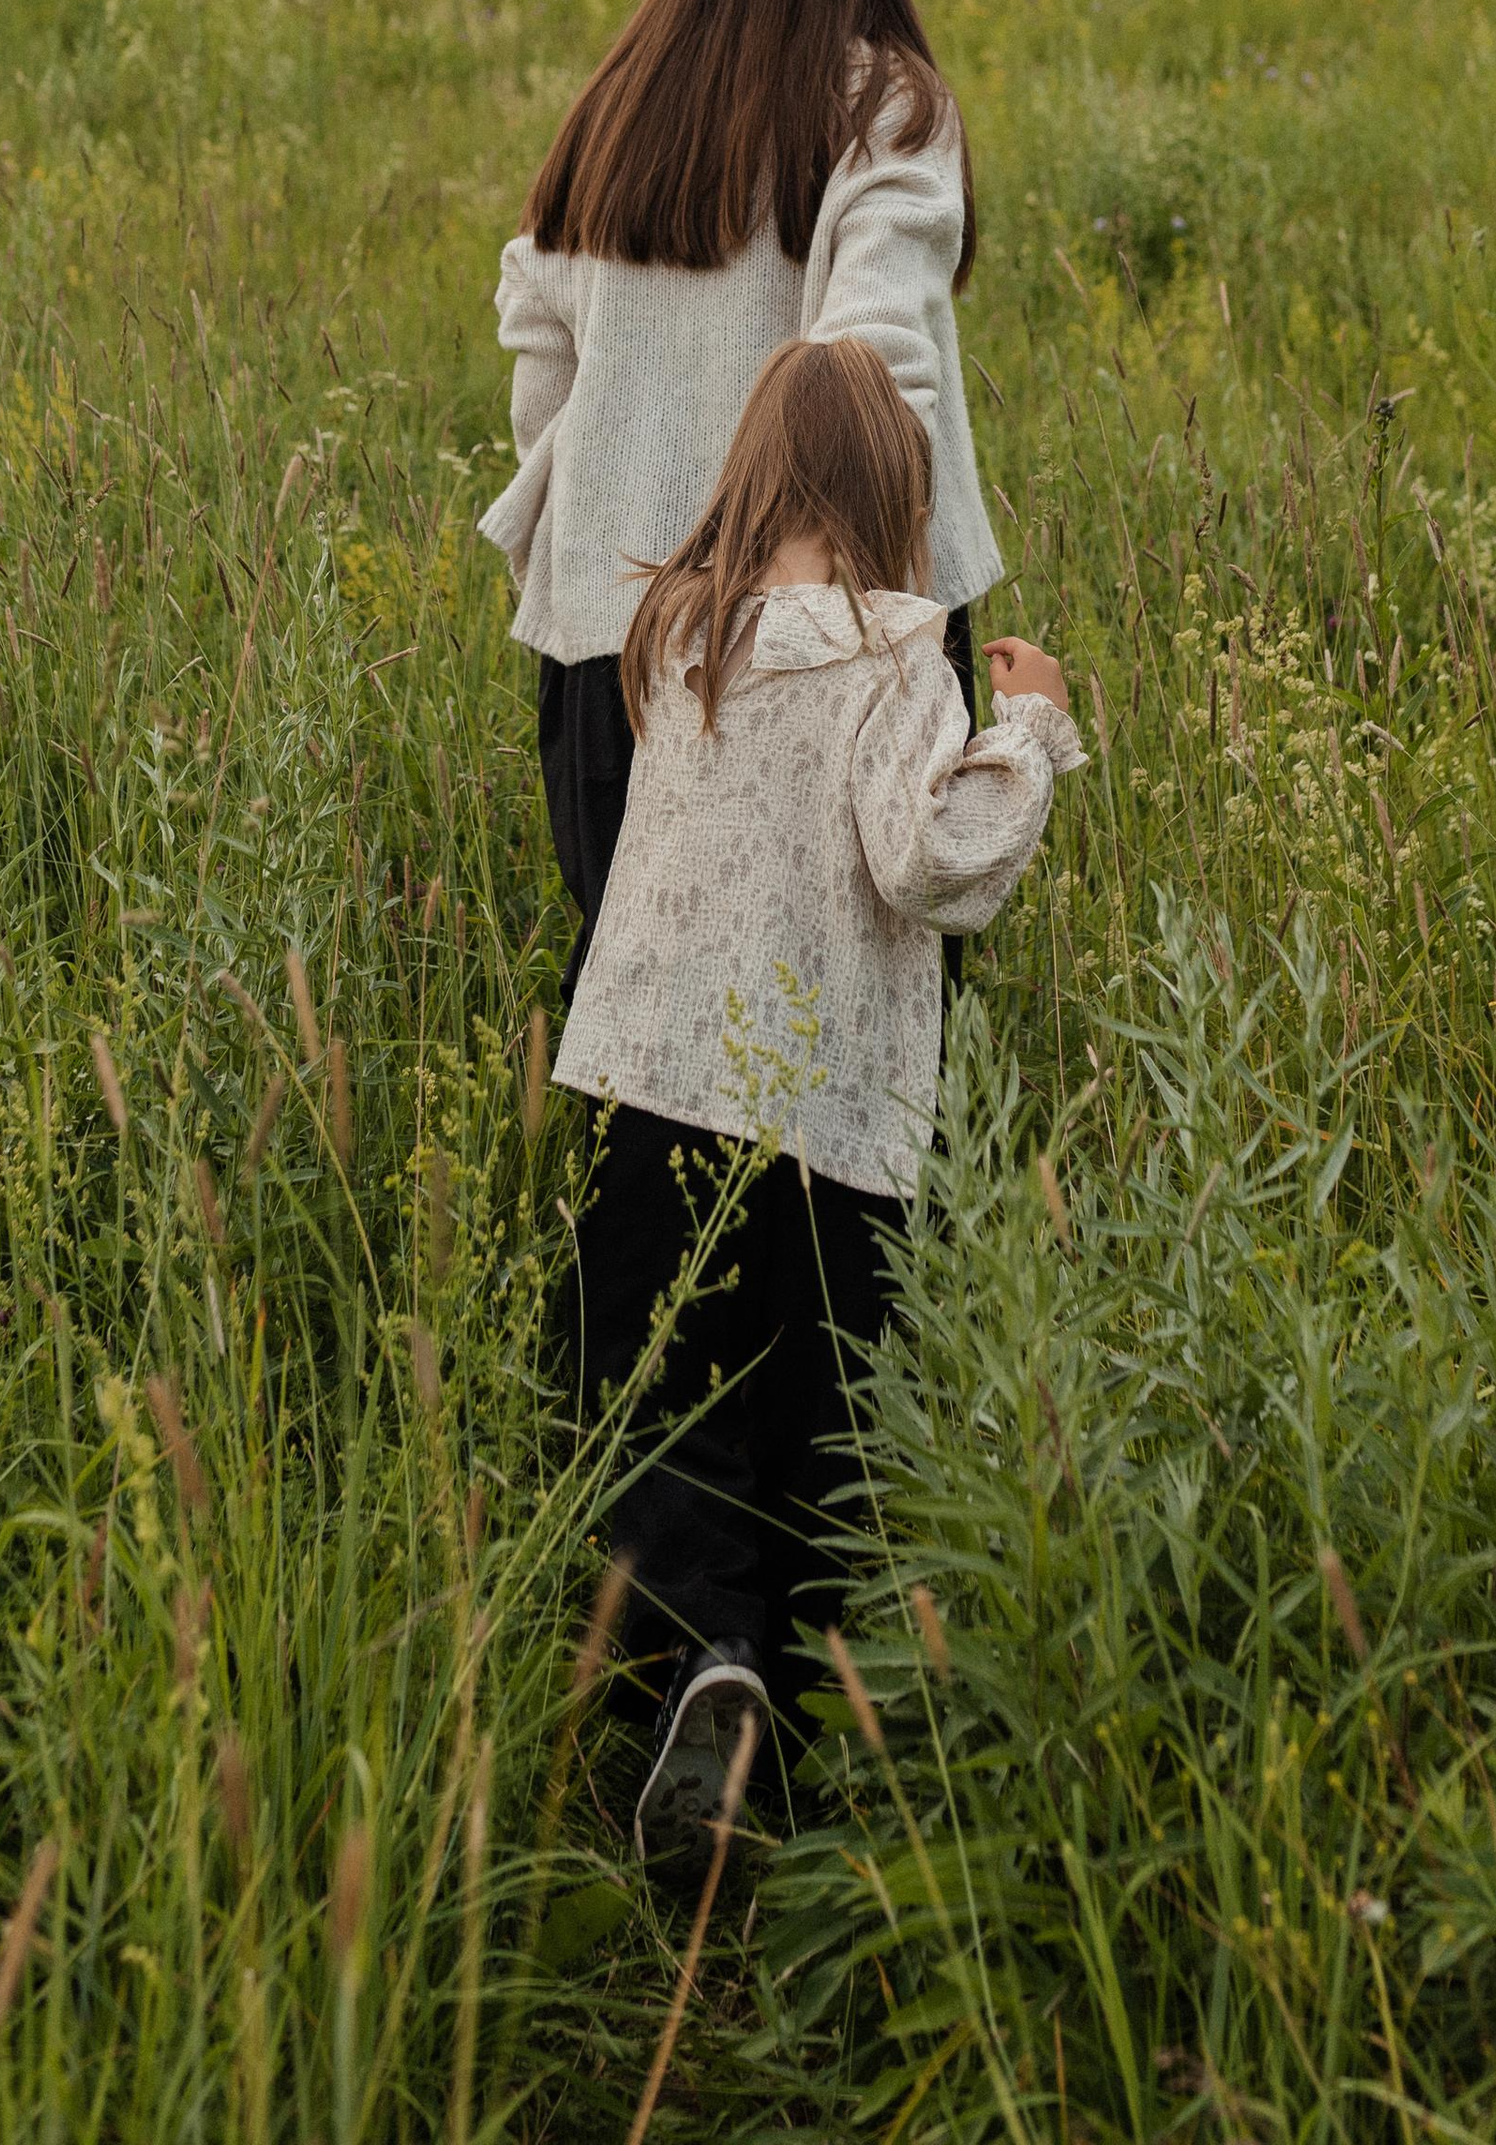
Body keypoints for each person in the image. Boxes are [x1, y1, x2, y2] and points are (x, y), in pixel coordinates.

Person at [552, 336, 1081, 1879]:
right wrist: (1029, 734)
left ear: (752, 476)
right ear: (894, 492)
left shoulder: (677, 633)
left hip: (650, 1089)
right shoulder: (892, 654)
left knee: (646, 1389)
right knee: (815, 1420)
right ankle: (785, 1739)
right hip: (831, 1123)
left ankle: (695, 1662)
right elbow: (933, 863)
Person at [477, 0, 1001, 985]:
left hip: (614, 627)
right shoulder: (888, 104)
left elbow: (537, 355)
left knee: (637, 999)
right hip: (831, 622)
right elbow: (875, 358)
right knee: (863, 1001)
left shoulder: (618, 107)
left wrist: (575, 554)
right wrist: (844, 606)